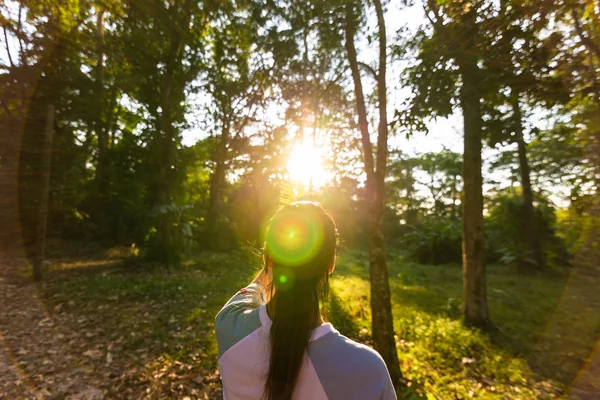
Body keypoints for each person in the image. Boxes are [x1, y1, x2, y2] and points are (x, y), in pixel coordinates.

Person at [215, 201, 397, 400]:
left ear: (267, 257)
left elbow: (251, 292)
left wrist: (276, 256)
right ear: (331, 264)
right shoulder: (367, 369)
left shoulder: (229, 328)